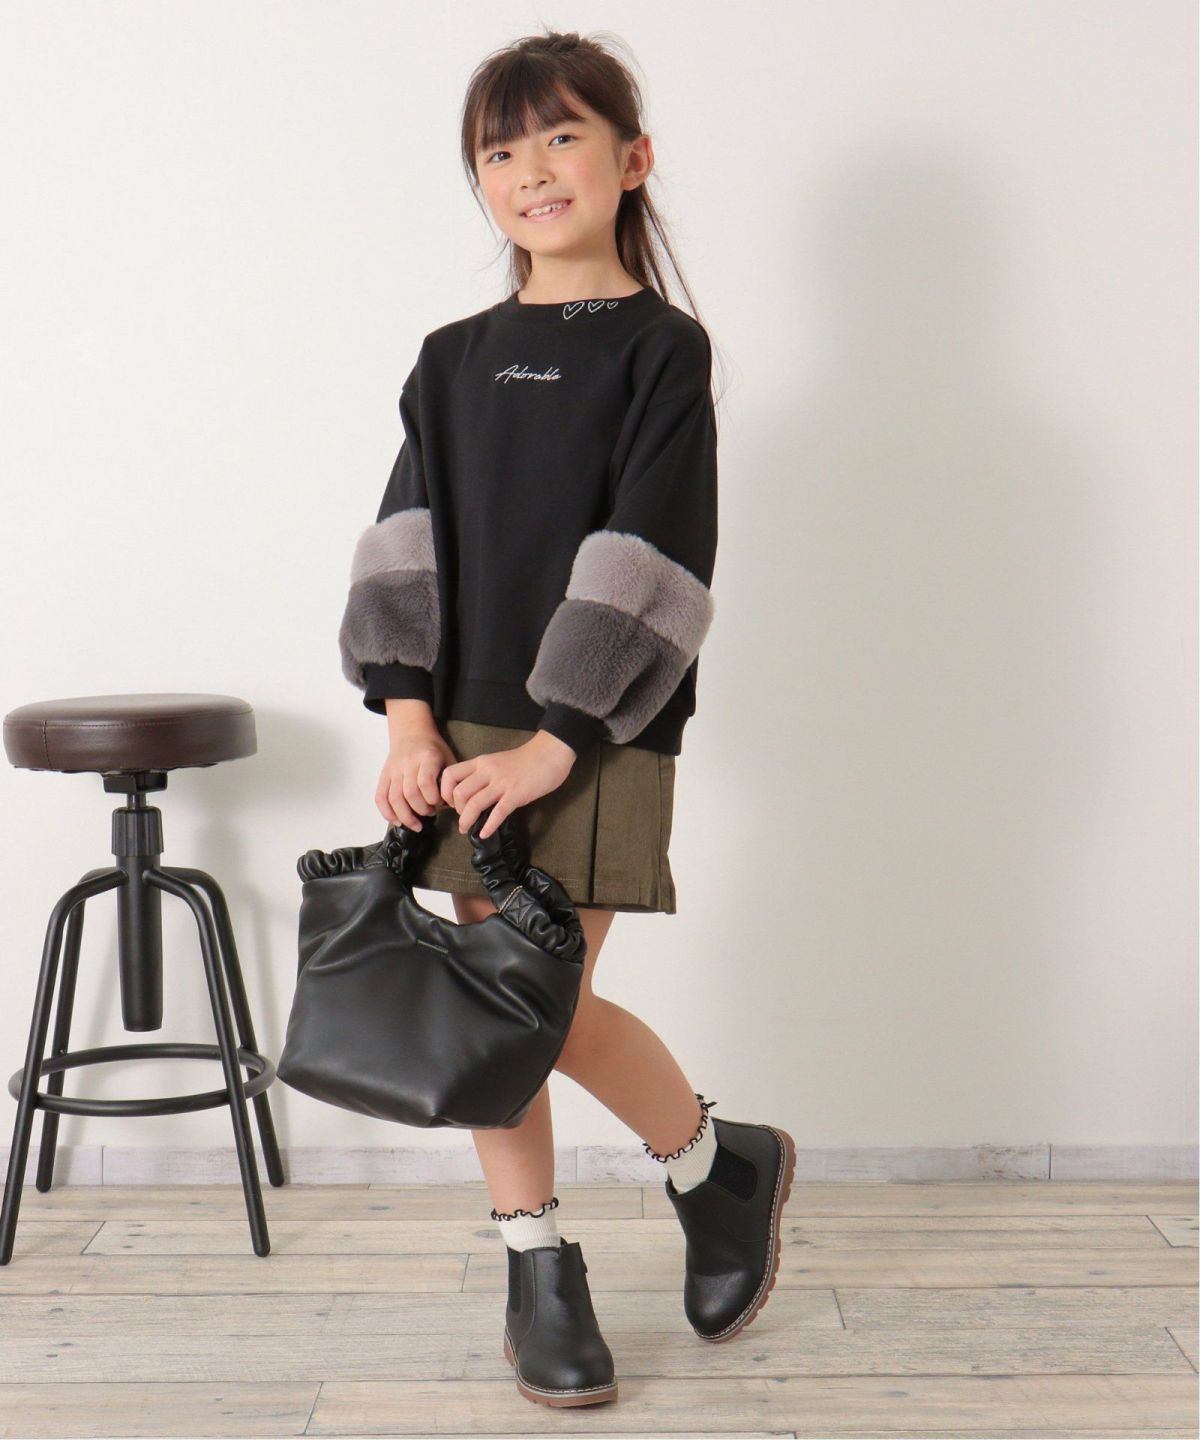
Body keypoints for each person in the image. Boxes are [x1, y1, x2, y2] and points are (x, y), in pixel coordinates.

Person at [337, 28, 795, 1408]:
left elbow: (657, 555)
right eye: (501, 149)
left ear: (632, 159)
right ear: (479, 181)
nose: (531, 169)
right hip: (458, 732)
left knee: (536, 1001)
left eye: (561, 136)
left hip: (593, 729)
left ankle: (713, 1167)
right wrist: (408, 723)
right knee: (502, 1008)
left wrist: (556, 739)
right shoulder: (451, 357)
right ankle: (548, 1258)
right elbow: (402, 540)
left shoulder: (663, 351)